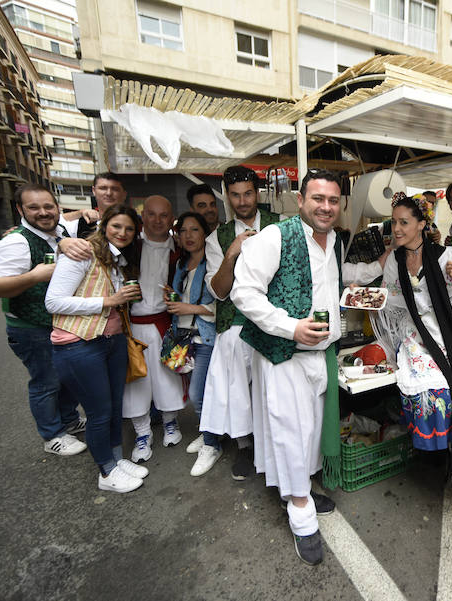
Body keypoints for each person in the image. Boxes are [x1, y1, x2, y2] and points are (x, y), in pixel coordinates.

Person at [231, 169, 344, 566]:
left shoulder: (335, 242)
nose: (326, 207)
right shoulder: (276, 236)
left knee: (309, 429)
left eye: (333, 200)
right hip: (283, 356)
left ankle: (299, 487)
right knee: (291, 430)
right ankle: (301, 514)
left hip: (320, 356)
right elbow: (242, 291)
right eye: (318, 199)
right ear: (300, 200)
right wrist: (290, 327)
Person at [45, 205, 149, 493]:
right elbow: (53, 302)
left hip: (110, 342)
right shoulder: (81, 252)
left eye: (129, 229)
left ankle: (116, 459)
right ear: (105, 226)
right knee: (99, 412)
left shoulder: (116, 258)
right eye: (117, 226)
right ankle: (106, 471)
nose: (123, 233)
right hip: (78, 345)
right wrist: (108, 301)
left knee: (114, 407)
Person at [370, 192, 452, 454]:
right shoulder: (394, 262)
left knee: (448, 383)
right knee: (425, 385)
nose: (396, 229)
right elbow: (389, 302)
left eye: (404, 222)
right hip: (413, 331)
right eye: (394, 222)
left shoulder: (444, 255)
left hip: (447, 329)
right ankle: (437, 449)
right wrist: (364, 298)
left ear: (422, 224)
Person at [0, 184, 90, 456]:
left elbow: (70, 222)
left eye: (48, 206)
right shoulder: (15, 241)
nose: (43, 213)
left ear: (57, 208)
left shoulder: (59, 231)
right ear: (20, 210)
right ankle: (52, 434)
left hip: (58, 324)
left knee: (65, 377)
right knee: (46, 381)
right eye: (34, 208)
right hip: (31, 328)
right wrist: (34, 276)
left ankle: (68, 419)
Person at [198, 165, 281, 479]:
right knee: (236, 387)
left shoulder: (280, 224)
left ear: (257, 192)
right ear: (227, 196)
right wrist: (232, 253)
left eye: (248, 193)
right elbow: (219, 292)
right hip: (235, 322)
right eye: (235, 195)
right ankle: (245, 446)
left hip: (273, 318)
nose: (243, 201)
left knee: (271, 386)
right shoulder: (217, 238)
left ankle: (270, 443)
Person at [122, 195, 184, 463]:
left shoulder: (181, 249)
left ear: (172, 219)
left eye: (164, 215)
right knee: (135, 382)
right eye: (152, 214)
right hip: (132, 325)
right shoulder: (128, 247)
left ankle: (171, 422)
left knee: (169, 377)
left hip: (165, 323)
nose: (158, 221)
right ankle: (142, 433)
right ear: (142, 216)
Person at [162, 212, 218, 476]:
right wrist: (173, 297)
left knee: (198, 395)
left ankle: (212, 444)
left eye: (194, 230)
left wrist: (188, 306)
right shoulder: (181, 265)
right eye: (183, 231)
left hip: (205, 337)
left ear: (205, 233)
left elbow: (222, 306)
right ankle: (207, 433)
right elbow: (181, 301)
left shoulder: (213, 263)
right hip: (183, 337)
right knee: (197, 394)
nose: (188, 236)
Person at [61, 173, 128, 239]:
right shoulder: (81, 224)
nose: (109, 193)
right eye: (103, 188)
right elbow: (56, 220)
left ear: (124, 194)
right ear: (94, 191)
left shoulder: (136, 223)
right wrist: (80, 212)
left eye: (115, 189)